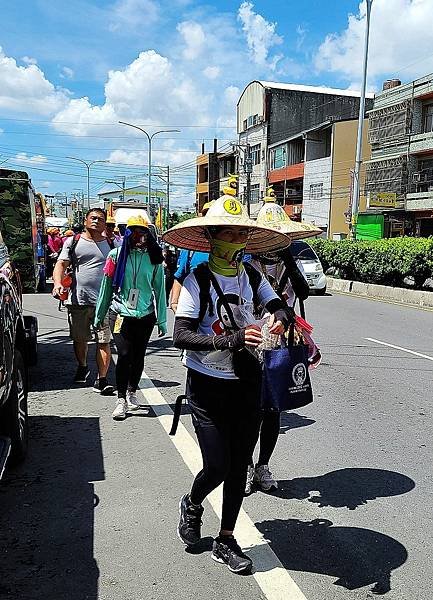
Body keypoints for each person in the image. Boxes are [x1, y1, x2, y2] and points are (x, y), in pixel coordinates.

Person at [163, 192, 292, 574]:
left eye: (242, 234)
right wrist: (230, 340)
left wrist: (281, 319)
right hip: (207, 385)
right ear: (213, 237)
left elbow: (277, 306)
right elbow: (181, 335)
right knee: (217, 466)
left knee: (239, 467)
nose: (238, 240)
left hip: (247, 383)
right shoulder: (196, 280)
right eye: (230, 233)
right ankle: (192, 502)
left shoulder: (253, 275)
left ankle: (226, 538)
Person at [244, 189, 321, 494]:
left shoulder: (288, 264)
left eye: (280, 237)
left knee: (274, 408)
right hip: (249, 343)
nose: (274, 243)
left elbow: (301, 293)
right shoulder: (247, 265)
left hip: (280, 342)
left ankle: (263, 465)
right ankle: (246, 467)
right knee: (251, 410)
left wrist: (289, 259)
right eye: (270, 237)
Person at [94, 215, 167, 421]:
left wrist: (162, 320)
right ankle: (121, 399)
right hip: (120, 314)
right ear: (127, 233)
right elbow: (106, 288)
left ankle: (132, 392)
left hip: (145, 315)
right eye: (133, 231)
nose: (138, 235)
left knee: (138, 356)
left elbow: (159, 291)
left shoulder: (154, 258)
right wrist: (99, 315)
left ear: (147, 234)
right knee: (124, 355)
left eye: (142, 231)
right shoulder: (115, 256)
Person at [53, 208, 114, 394]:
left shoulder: (112, 244)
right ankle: (83, 365)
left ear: (105, 225)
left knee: (104, 341)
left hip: (104, 303)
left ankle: (102, 379)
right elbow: (61, 265)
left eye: (101, 219)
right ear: (86, 220)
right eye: (93, 218)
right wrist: (57, 283)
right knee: (80, 339)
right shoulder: (73, 241)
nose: (96, 221)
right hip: (78, 300)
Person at [169, 201, 213, 312]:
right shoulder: (190, 248)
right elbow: (179, 277)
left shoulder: (233, 249)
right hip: (195, 311)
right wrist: (175, 302)